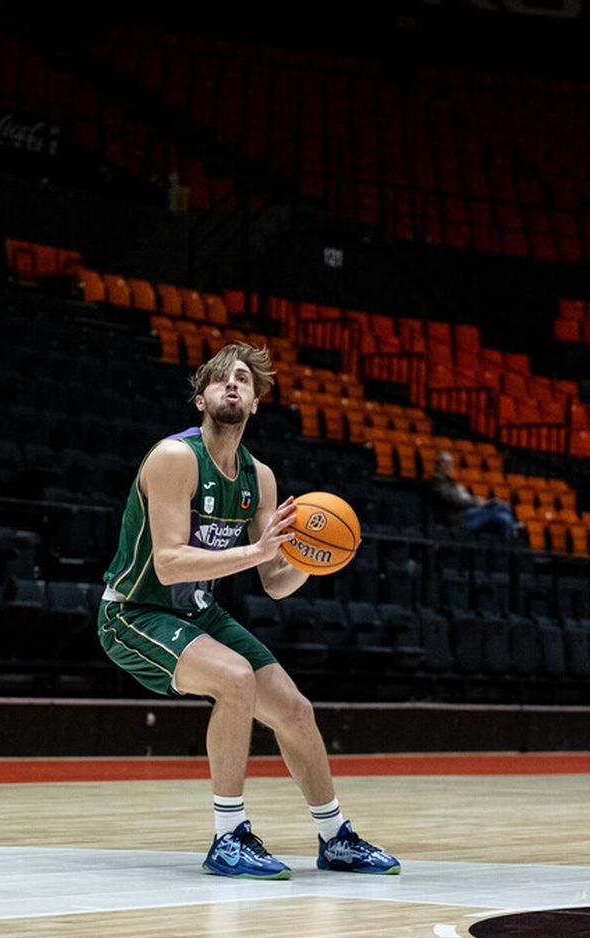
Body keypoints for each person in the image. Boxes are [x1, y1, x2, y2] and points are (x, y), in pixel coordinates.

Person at [96, 342, 399, 879]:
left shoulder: (260, 478)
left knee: (295, 710)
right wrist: (259, 550)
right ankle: (228, 836)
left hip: (198, 612)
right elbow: (167, 564)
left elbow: (275, 583)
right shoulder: (173, 458)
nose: (232, 384)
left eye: (243, 380)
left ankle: (334, 838)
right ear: (201, 399)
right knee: (236, 679)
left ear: (257, 402)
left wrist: (313, 558)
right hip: (134, 612)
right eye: (219, 379)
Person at [426, 450, 519, 538]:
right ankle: (515, 525)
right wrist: (475, 501)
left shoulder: (450, 483)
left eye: (450, 464)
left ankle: (503, 552)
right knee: (499, 505)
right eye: (447, 464)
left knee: (504, 519)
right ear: (439, 465)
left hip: (468, 513)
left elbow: (460, 498)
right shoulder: (436, 481)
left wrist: (475, 500)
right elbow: (453, 500)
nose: (450, 467)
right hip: (458, 519)